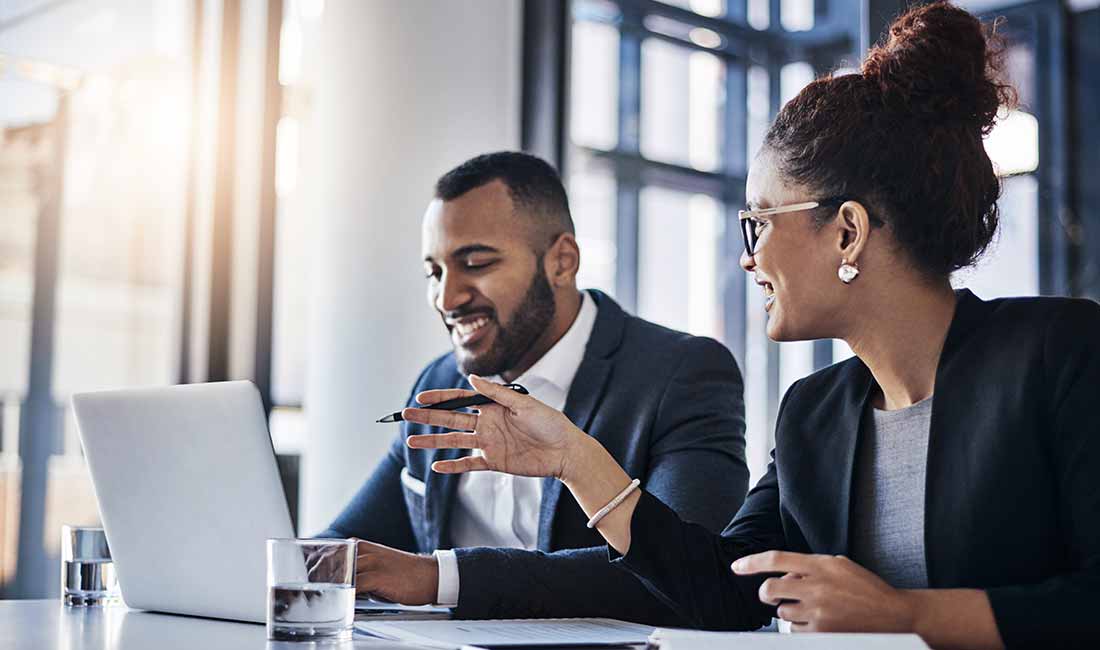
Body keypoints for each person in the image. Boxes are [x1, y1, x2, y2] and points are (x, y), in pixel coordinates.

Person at [401, 5, 1100, 648]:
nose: (746, 257)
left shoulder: (1060, 354)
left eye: (758, 222)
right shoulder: (814, 414)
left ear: (847, 232)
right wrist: (574, 461)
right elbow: (723, 594)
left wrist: (908, 617)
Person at [317, 151, 750, 624]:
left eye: (476, 263)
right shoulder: (438, 382)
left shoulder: (682, 374)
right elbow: (350, 546)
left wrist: (437, 577)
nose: (447, 298)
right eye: (434, 273)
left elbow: (685, 574)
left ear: (562, 262)